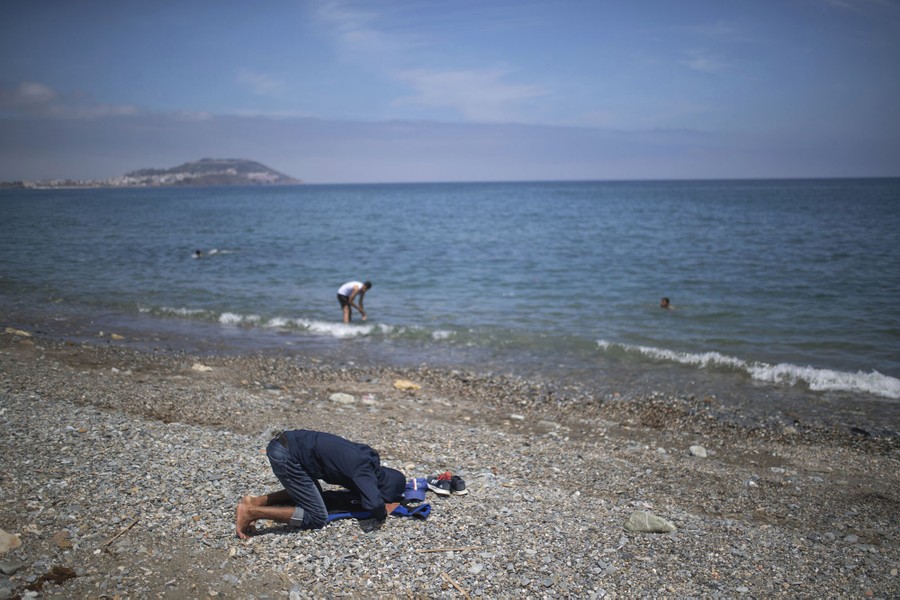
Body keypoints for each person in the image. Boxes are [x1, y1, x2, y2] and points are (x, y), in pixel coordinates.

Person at [236, 429, 405, 538]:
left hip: (289, 443)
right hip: (286, 456)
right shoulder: (364, 473)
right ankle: (253, 512)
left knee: (314, 494)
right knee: (317, 517)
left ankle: (254, 501)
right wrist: (383, 512)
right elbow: (374, 505)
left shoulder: (368, 458)